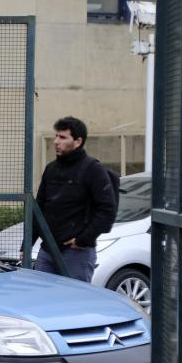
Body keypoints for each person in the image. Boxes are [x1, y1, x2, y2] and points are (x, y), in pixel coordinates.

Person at [29, 116, 117, 283]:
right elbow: (38, 209)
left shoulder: (93, 169)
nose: (56, 141)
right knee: (40, 302)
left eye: (62, 137)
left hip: (76, 253)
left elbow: (107, 211)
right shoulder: (51, 169)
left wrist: (84, 239)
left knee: (74, 304)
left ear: (77, 141)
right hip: (47, 251)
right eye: (56, 136)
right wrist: (27, 243)